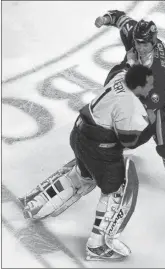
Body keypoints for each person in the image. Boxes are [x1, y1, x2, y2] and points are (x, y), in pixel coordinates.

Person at [19, 64, 157, 261]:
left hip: (79, 135)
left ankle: (37, 205)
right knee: (115, 189)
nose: (151, 87)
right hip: (98, 148)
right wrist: (150, 124)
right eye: (149, 84)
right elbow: (128, 141)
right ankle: (97, 245)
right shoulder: (129, 105)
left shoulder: (120, 78)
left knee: (82, 177)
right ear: (138, 86)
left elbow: (119, 69)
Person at [95, 10, 165, 209]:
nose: (140, 47)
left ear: (154, 42)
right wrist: (104, 19)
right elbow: (120, 18)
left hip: (154, 98)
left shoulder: (157, 65)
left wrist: (143, 114)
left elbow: (158, 98)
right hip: (134, 85)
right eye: (137, 42)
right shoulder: (135, 35)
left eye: (144, 44)